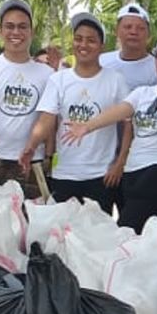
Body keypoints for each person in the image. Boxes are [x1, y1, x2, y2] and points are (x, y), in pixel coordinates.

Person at [64, 38, 157, 230]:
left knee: (126, 229)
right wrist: (87, 127)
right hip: (133, 172)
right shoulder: (143, 92)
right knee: (140, 237)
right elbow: (121, 110)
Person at [21, 12, 129, 212]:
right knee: (60, 236)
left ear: (101, 46)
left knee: (94, 236)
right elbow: (47, 119)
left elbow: (128, 123)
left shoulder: (115, 80)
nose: (83, 45)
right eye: (78, 39)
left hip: (101, 175)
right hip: (65, 173)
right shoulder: (59, 80)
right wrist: (31, 146)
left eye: (91, 40)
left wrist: (120, 163)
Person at [0, 0, 53, 199]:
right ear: (0, 32)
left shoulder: (47, 74)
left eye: (22, 27)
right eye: (10, 27)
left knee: (31, 220)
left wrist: (49, 155)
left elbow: (49, 120)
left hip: (32, 160)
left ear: (31, 32)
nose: (16, 33)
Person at [100, 3, 157, 89]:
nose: (133, 32)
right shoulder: (101, 62)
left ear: (148, 34)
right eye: (128, 27)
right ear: (117, 31)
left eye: (140, 28)